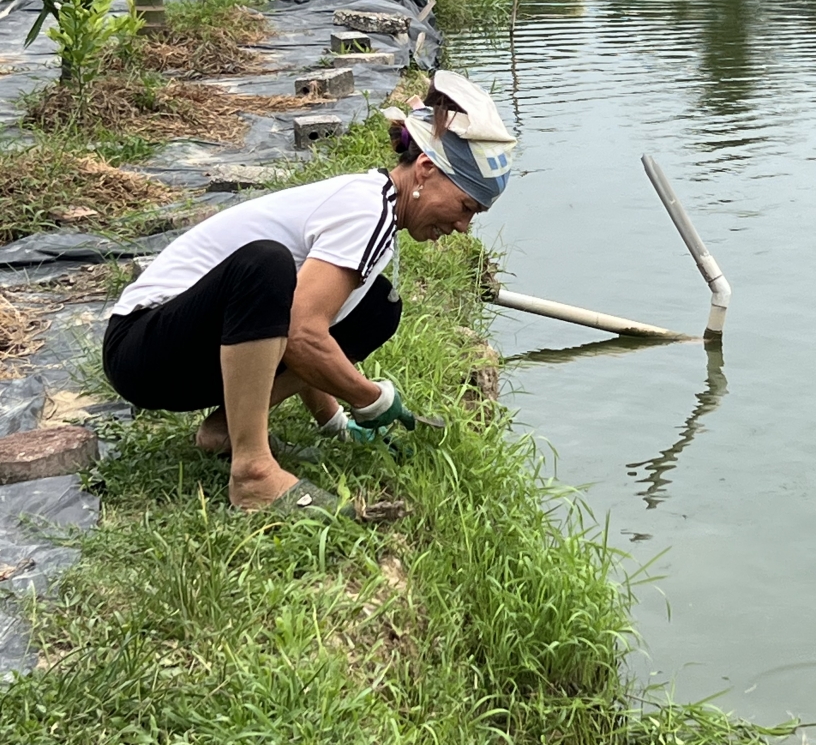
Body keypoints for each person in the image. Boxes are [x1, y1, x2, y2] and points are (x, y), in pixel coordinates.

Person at [102, 71, 515, 513]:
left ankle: (225, 431)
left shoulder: (379, 212)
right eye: (466, 206)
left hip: (195, 348)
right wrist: (371, 398)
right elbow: (301, 335)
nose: (462, 226)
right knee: (266, 264)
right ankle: (252, 471)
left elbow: (316, 324)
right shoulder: (366, 210)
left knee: (377, 308)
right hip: (142, 349)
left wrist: (334, 419)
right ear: (426, 171)